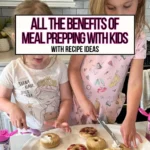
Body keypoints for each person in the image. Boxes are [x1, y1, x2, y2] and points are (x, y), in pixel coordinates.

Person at [69, 0, 147, 148]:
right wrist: (83, 101)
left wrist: (130, 118)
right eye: (111, 8)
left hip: (108, 109)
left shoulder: (138, 36)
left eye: (127, 6)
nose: (120, 15)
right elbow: (73, 69)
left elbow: (135, 82)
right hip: (78, 104)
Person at [0, 0, 72, 132]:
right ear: (16, 39)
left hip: (55, 130)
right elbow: (1, 99)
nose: (39, 53)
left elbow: (66, 99)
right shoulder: (13, 69)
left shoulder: (59, 66)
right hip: (26, 132)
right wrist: (12, 108)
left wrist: (62, 118)